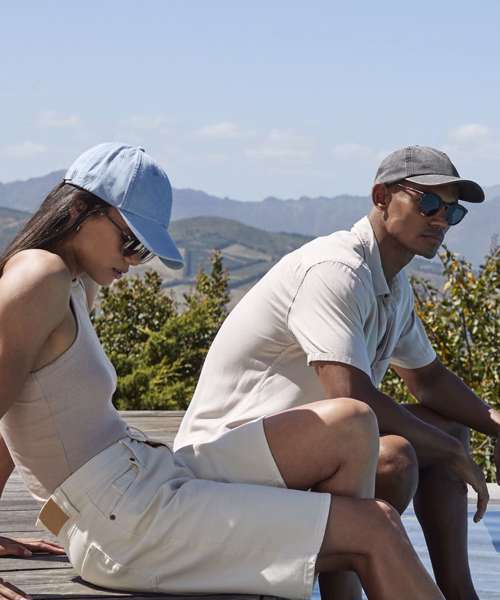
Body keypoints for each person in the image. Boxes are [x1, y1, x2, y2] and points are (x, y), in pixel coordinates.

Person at [0, 142, 445, 600]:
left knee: (351, 422)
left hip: (145, 476)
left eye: (144, 251)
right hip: (122, 522)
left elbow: (14, 410)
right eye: (131, 241)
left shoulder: (73, 284)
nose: (134, 261)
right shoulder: (40, 275)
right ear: (79, 210)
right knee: (376, 526)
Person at [174, 145, 499, 600]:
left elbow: (429, 380)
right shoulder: (335, 271)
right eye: (428, 202)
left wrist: (493, 425)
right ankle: (345, 590)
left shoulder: (392, 284)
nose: (441, 219)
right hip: (223, 463)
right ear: (381, 197)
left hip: (301, 451)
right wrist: (450, 451)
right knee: (394, 457)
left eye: (453, 211)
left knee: (447, 429)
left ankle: (459, 592)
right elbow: (351, 395)